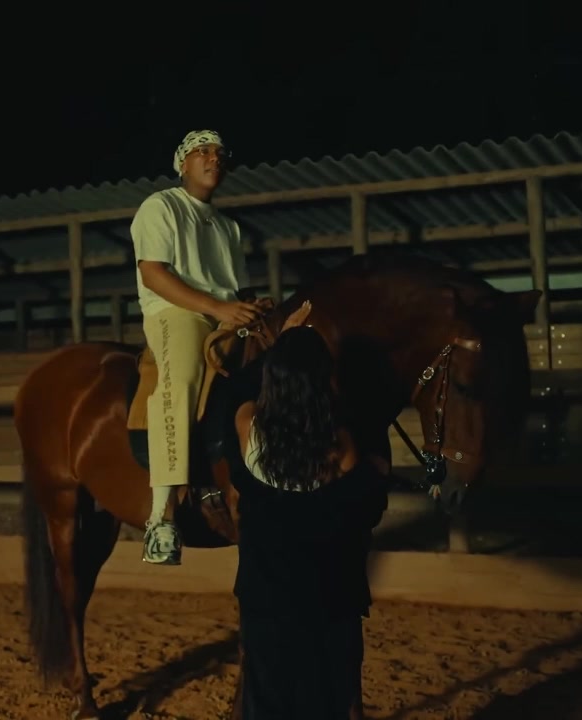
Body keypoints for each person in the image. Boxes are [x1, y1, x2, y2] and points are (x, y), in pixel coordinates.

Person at [223, 308, 390, 719]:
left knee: (266, 698)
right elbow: (361, 512)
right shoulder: (342, 447)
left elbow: (236, 390)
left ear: (272, 378)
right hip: (329, 600)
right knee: (327, 698)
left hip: (266, 598)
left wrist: (280, 345)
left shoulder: (246, 425)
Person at [130, 129, 263, 565]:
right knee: (182, 377)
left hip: (225, 314)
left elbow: (238, 289)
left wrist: (255, 309)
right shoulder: (161, 206)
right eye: (201, 152)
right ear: (182, 164)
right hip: (177, 311)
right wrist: (217, 308)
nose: (213, 158)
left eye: (219, 153)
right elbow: (153, 273)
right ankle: (162, 516)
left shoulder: (228, 226)